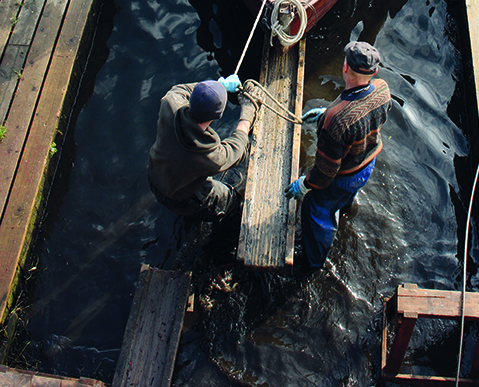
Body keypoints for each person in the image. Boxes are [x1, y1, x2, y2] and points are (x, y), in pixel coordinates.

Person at [285, 41, 391, 270]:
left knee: (315, 209)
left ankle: (314, 263)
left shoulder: (335, 120)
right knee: (344, 199)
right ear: (374, 72)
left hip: (342, 177)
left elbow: (325, 173)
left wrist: (305, 184)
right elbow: (367, 117)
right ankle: (346, 208)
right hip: (367, 165)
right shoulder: (383, 89)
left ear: (344, 68)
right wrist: (325, 114)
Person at [148, 79, 259, 220]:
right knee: (228, 201)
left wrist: (218, 86)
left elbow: (183, 90)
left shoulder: (170, 101)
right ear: (216, 116)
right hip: (180, 197)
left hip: (155, 176)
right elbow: (238, 149)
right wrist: (247, 116)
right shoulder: (209, 155)